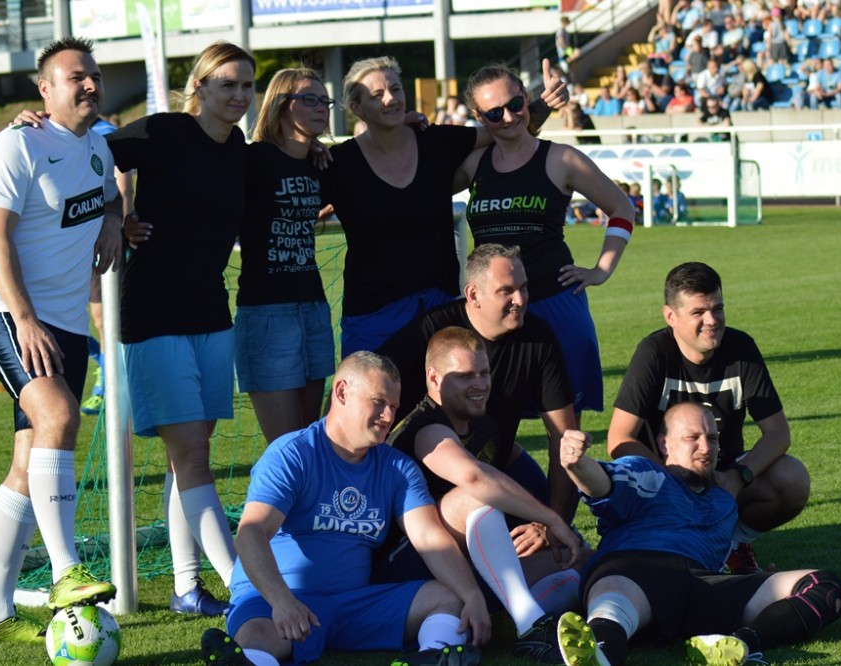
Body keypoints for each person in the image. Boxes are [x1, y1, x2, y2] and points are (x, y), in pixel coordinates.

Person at [0, 36, 121, 644]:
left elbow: (110, 194)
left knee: (27, 463)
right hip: (9, 313)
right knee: (59, 415)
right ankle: (65, 572)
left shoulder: (99, 143)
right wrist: (25, 318)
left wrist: (113, 220)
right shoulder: (17, 144)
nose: (88, 84)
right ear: (45, 89)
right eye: (75, 76)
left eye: (94, 76)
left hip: (65, 324)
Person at [202, 352, 491, 666]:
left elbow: (430, 538)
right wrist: (281, 600)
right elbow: (250, 534)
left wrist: (471, 595)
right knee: (256, 635)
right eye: (378, 402)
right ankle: (250, 660)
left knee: (446, 598)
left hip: (353, 604)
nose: (388, 416)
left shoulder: (397, 468)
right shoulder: (292, 454)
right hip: (277, 599)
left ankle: (432, 656)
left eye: (394, 407)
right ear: (341, 392)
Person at [110, 41, 257, 616]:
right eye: (227, 84)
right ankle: (247, 591)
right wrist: (114, 216)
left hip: (211, 315)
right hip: (154, 313)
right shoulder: (165, 130)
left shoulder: (238, 146)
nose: (239, 95)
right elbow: (92, 153)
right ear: (199, 86)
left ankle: (186, 588)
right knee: (192, 455)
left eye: (246, 85)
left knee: (188, 459)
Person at [555, 403, 841, 666]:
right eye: (692, 438)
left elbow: (731, 551)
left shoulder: (725, 501)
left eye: (712, 438)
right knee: (616, 594)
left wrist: (753, 578)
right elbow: (603, 484)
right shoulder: (649, 474)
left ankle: (739, 645)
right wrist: (578, 464)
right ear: (664, 443)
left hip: (700, 586)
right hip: (637, 571)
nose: (705, 447)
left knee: (825, 586)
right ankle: (600, 650)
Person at [321, 56, 567, 358]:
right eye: (377, 95)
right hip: (373, 315)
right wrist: (308, 144)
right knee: (369, 389)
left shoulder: (435, 141)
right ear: (356, 108)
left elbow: (504, 127)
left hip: (441, 307)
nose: (391, 99)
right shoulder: (338, 163)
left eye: (396, 89)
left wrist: (545, 103)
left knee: (450, 388)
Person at [383, 327, 584, 663]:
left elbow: (513, 472)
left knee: (578, 558)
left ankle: (500, 622)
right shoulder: (426, 428)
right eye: (465, 376)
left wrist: (542, 527)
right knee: (475, 496)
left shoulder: (483, 426)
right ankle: (531, 624)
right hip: (404, 562)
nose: (479, 384)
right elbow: (474, 477)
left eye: (484, 373)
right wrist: (551, 517)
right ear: (434, 378)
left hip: (461, 565)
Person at [607, 262, 810, 574]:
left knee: (792, 478)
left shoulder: (740, 348)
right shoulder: (654, 353)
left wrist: (738, 476)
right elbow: (619, 439)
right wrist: (670, 481)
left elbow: (778, 433)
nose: (712, 320)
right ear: (670, 316)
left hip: (723, 477)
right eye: (698, 312)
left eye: (718, 308)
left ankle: (733, 544)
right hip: (665, 481)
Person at [456, 64, 635, 419]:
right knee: (488, 426)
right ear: (479, 117)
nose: (509, 117)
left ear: (527, 98)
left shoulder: (562, 159)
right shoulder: (474, 164)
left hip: (555, 302)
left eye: (515, 104)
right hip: (492, 313)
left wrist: (601, 270)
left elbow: (622, 208)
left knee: (564, 431)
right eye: (494, 113)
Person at [377, 244, 580, 551]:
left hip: (495, 462)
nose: (520, 299)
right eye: (506, 291)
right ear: (473, 295)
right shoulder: (433, 332)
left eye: (524, 287)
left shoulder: (538, 338)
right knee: (480, 503)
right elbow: (366, 383)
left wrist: (553, 524)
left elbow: (562, 438)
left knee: (572, 552)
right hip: (440, 492)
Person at [234, 67, 336, 443]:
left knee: (311, 440)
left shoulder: (319, 163)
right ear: (280, 104)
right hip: (267, 313)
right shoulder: (253, 158)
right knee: (286, 447)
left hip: (314, 308)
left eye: (324, 100)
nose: (321, 107)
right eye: (309, 99)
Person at [81, 114, 134, 416]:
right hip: (68, 245)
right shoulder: (56, 130)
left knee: (104, 318)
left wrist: (120, 229)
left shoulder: (105, 134)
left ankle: (108, 383)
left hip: (104, 242)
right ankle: (103, 361)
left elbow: (123, 190)